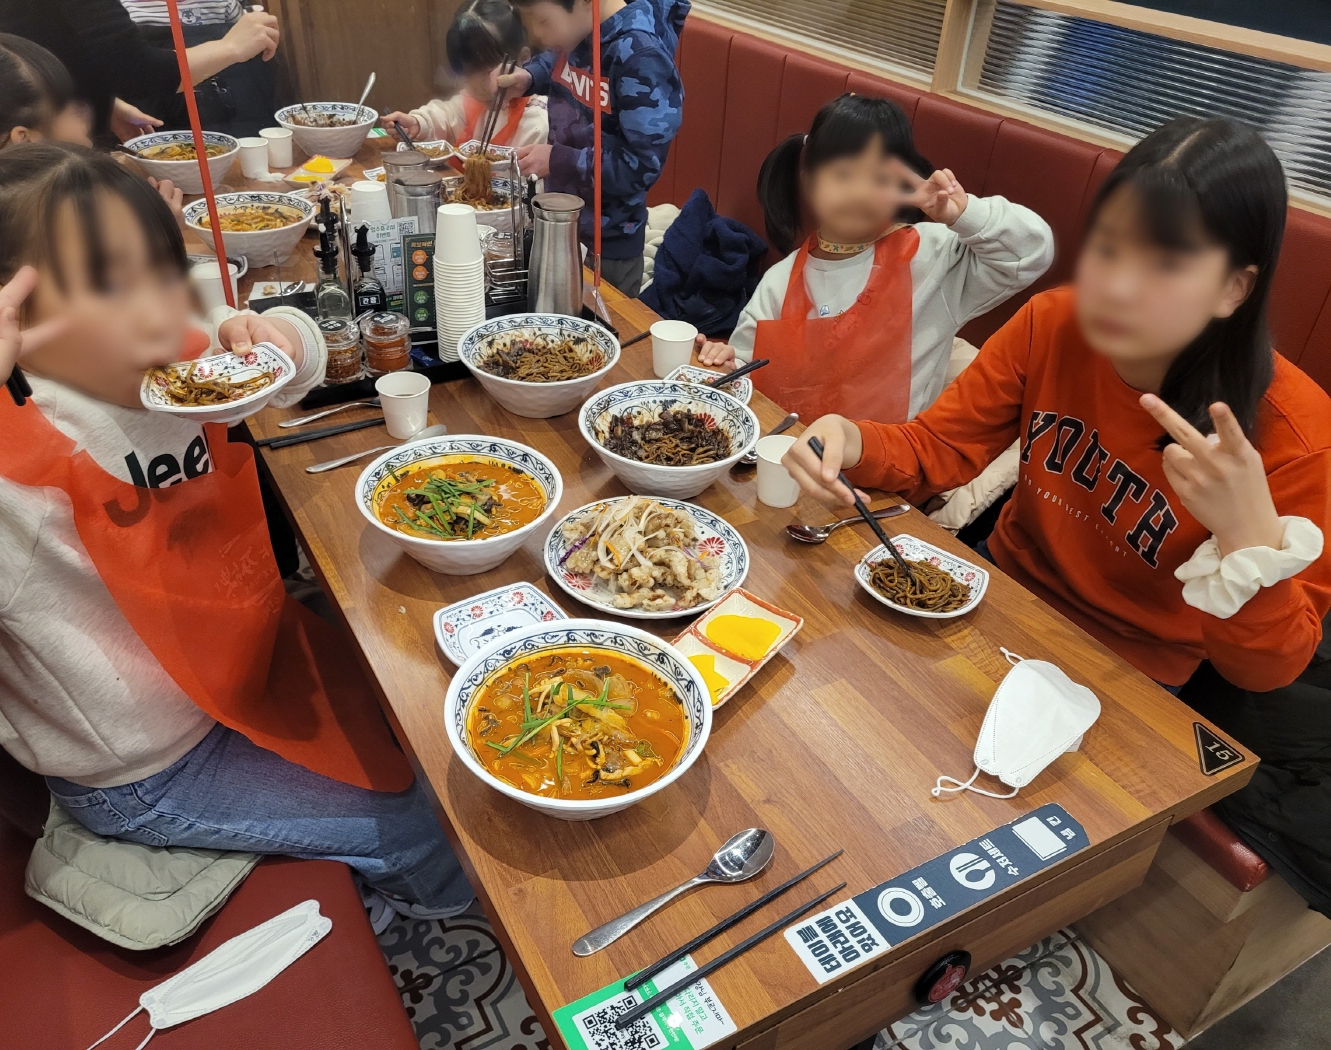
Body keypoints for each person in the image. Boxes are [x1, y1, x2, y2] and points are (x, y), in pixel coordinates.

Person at [0, 143, 474, 918]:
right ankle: (436, 911)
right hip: (148, 768)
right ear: (5, 301)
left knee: (421, 699)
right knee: (420, 824)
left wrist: (281, 338)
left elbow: (282, 349)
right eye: (111, 283)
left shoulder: (165, 354)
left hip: (246, 660)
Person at [784, 117, 1330, 695]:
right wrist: (851, 439)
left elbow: (1268, 670)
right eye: (1109, 248)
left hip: (1134, 671)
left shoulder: (1299, 436)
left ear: (1232, 288)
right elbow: (939, 449)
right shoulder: (1053, 323)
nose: (1117, 288)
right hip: (998, 592)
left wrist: (1249, 540)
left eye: (1165, 265)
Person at [697, 94, 1054, 426]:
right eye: (843, 175)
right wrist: (727, 362)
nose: (859, 193)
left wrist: (962, 214)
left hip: (890, 463)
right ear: (809, 182)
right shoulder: (780, 279)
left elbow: (1029, 252)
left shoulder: (934, 257)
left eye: (879, 178)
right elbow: (747, 365)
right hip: (790, 452)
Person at [497, 0, 687, 297]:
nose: (537, 33)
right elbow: (558, 61)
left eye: (543, 21)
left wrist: (557, 160)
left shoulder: (642, 58)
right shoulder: (580, 30)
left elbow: (640, 167)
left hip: (608, 247)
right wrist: (530, 77)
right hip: (561, 225)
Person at [0, 35, 182, 226]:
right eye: (70, 104)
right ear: (24, 138)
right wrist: (161, 228)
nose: (87, 109)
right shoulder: (46, 220)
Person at [0, 0, 279, 141]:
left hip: (7, 111)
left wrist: (103, 104)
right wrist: (230, 47)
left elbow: (57, 38)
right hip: (13, 132)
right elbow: (137, 72)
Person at [380, 0, 547, 150]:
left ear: (523, 59)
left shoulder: (538, 121)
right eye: (466, 75)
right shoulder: (477, 100)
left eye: (489, 73)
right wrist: (418, 124)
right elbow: (446, 115)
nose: (477, 87)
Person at [122, 0, 279, 138]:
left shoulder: (223, 4)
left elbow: (250, 52)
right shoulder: (121, 10)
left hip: (232, 115)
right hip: (161, 123)